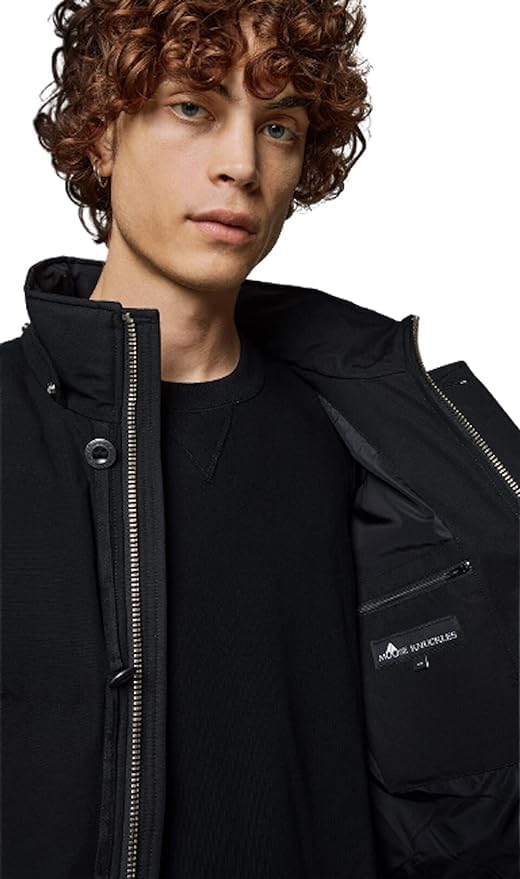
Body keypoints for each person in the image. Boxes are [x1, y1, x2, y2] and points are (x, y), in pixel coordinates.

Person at [1, 2, 519, 878]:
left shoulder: (366, 440)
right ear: (101, 133)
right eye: (192, 107)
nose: (241, 164)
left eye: (278, 126)